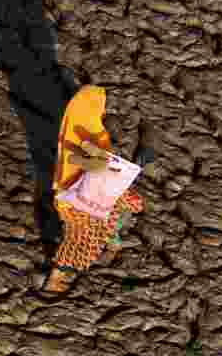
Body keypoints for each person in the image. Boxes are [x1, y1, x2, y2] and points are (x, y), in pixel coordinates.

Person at [42, 85, 145, 294]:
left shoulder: (97, 140)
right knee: (99, 225)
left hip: (85, 196)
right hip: (86, 197)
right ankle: (59, 275)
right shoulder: (99, 141)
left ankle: (60, 274)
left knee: (94, 228)